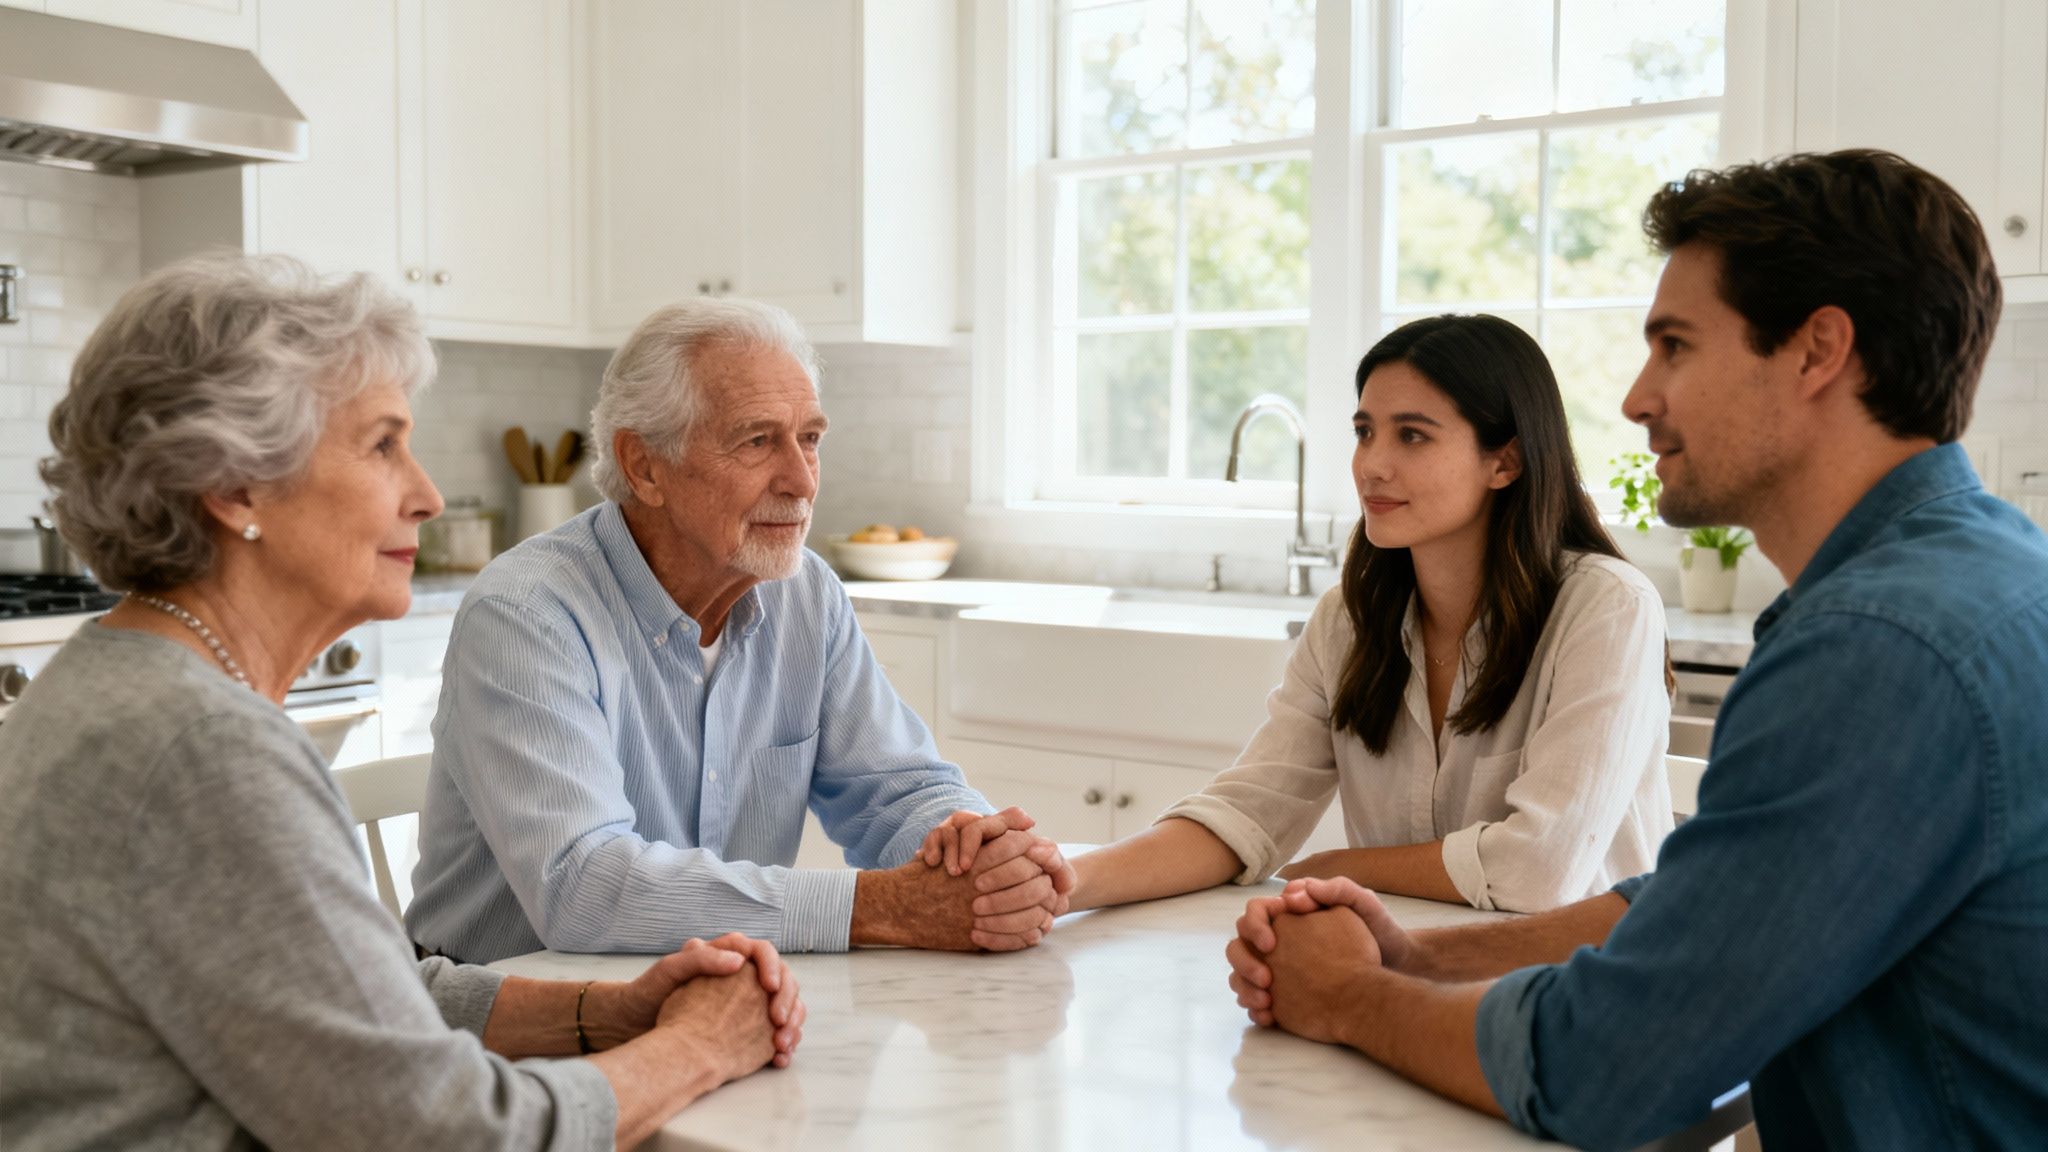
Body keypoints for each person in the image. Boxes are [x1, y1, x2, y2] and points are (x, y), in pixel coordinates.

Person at [1226, 149, 2048, 1150]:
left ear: (1815, 351)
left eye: (1673, 345)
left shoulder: (1874, 649)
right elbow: (1716, 902)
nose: (1633, 397)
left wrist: (1350, 995)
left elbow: (1601, 1069)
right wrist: (1422, 958)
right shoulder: (1985, 570)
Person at [0, 255, 806, 1149]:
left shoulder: (139, 686)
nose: (425, 497)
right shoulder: (200, 750)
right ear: (235, 486)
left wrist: (605, 1012)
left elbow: (351, 991)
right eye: (383, 445)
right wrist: (698, 1046)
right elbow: (448, 1135)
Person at [406, 297, 1075, 966]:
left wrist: (978, 853)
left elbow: (899, 791)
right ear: (643, 466)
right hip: (503, 1023)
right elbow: (584, 885)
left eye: (809, 438)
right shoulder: (526, 615)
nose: (801, 480)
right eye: (757, 440)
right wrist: (887, 907)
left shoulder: (805, 593)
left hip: (715, 998)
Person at [1054, 314, 1672, 918]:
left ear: (1504, 462)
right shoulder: (1347, 622)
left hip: (1578, 993)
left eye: (1412, 435)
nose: (1371, 464)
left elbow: (1539, 868)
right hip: (1397, 973)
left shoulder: (1608, 609)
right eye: (1364, 431)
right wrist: (1061, 884)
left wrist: (1334, 867)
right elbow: (1247, 814)